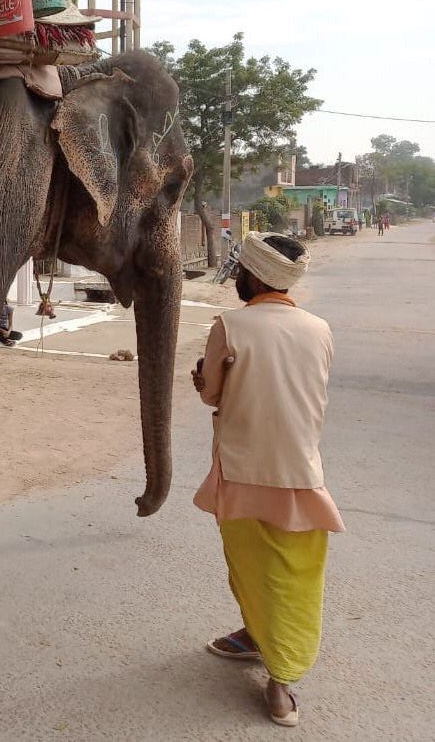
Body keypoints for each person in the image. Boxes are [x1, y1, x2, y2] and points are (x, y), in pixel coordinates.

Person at [191, 232, 343, 728]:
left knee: (252, 566)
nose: (236, 277)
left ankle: (279, 680)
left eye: (240, 271)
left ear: (254, 276)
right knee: (294, 578)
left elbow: (212, 394)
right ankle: (263, 644)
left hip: (241, 471)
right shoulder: (320, 328)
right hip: (301, 474)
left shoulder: (229, 325)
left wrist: (203, 381)